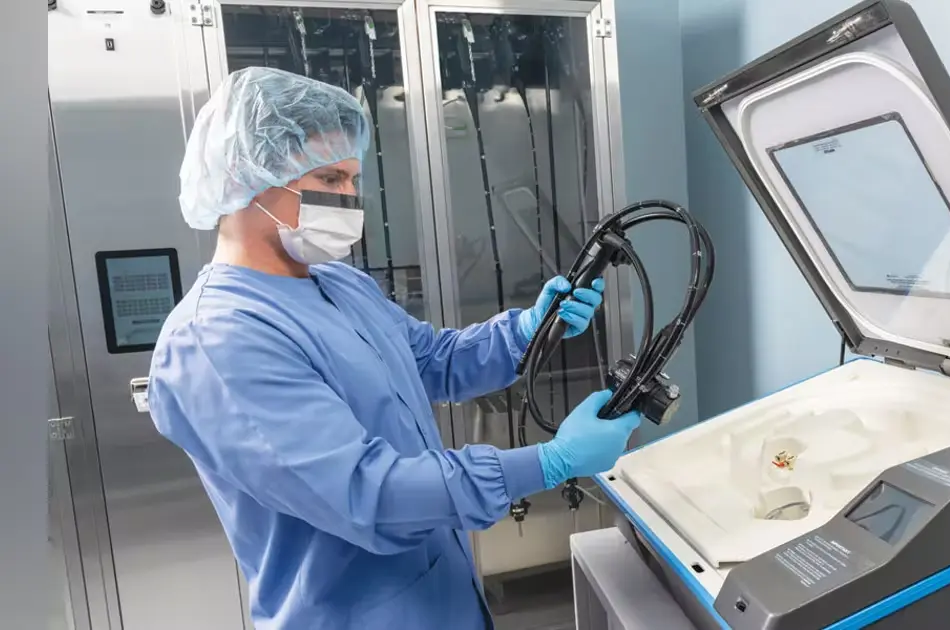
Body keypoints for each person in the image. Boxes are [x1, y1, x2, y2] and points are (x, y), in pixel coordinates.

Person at [147, 66, 643, 630]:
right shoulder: (219, 338)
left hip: (443, 600)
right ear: (246, 178)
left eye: (354, 180)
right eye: (331, 179)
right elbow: (368, 494)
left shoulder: (338, 284)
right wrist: (550, 463)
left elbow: (433, 360)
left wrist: (528, 330)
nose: (350, 199)